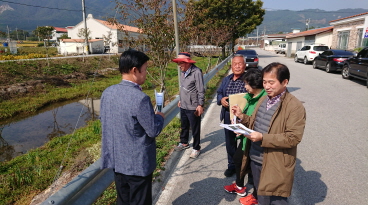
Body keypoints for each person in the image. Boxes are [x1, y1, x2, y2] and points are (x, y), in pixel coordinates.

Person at [231, 62, 306, 205]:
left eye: (271, 82)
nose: (266, 86)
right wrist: (242, 117)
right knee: (262, 197)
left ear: (285, 82)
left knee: (276, 200)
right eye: (264, 82)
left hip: (274, 163)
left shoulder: (294, 107)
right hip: (255, 158)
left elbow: (293, 138)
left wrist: (263, 138)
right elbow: (254, 122)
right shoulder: (265, 99)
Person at [100, 49, 165, 205]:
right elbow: (153, 130)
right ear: (135, 70)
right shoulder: (140, 98)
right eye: (145, 70)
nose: (146, 73)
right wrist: (159, 117)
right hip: (137, 164)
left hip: (117, 161)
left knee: (123, 200)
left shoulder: (107, 92)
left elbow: (106, 121)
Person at [223, 68, 266, 197]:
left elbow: (259, 123)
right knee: (239, 159)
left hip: (256, 141)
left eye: (247, 83)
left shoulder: (263, 101)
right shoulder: (251, 97)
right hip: (247, 138)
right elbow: (248, 118)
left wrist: (242, 127)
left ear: (255, 84)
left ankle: (256, 196)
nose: (245, 86)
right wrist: (239, 119)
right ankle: (239, 186)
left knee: (255, 168)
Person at [217, 54, 247, 177]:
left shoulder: (247, 79)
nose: (237, 66)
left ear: (244, 66)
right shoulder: (227, 79)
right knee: (230, 143)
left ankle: (246, 169)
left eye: (240, 64)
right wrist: (221, 100)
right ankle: (232, 165)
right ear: (231, 65)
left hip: (243, 117)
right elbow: (219, 93)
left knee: (245, 143)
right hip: (228, 116)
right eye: (235, 64)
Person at [173, 52, 205, 159]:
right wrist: (180, 99)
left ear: (187, 63)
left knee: (195, 128)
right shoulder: (183, 72)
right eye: (178, 63)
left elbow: (200, 90)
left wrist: (200, 104)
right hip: (184, 104)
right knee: (184, 125)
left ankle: (196, 147)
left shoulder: (196, 72)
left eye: (181, 63)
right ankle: (184, 142)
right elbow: (183, 88)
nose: (179, 66)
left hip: (193, 106)